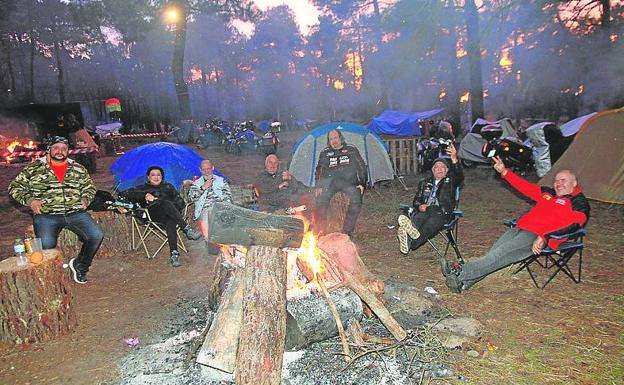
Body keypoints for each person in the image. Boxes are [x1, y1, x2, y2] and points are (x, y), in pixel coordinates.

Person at [441, 157, 590, 293]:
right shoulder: (548, 194)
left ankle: (458, 272)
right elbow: (524, 187)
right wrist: (505, 172)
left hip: (536, 237)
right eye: (556, 181)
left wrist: (545, 237)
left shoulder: (578, 203)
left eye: (563, 180)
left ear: (574, 183)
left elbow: (573, 225)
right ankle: (464, 284)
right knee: (495, 255)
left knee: (498, 254)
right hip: (520, 228)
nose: (558, 184)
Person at [8, 136, 104, 284]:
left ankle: (80, 266)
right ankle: (52, 278)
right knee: (46, 248)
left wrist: (85, 199)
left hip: (75, 212)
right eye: (56, 148)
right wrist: (30, 201)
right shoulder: (34, 168)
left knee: (96, 235)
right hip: (47, 215)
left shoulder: (77, 168)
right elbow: (14, 187)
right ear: (49, 149)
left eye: (64, 148)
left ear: (68, 151)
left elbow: (89, 187)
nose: (60, 151)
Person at [121, 166, 201, 267]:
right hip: (153, 217)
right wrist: (144, 195)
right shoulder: (142, 188)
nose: (156, 177)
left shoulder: (168, 187)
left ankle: (174, 254)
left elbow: (180, 202)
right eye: (153, 175)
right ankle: (186, 228)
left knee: (170, 219)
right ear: (148, 177)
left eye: (158, 175)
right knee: (165, 203)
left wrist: (172, 207)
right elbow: (125, 194)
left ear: (162, 177)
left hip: (171, 215)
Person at [397, 143, 463, 254]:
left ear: (447, 171)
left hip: (442, 213)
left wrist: (454, 158)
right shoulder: (424, 183)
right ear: (432, 170)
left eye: (443, 167)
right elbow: (416, 200)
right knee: (419, 216)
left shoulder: (450, 182)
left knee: (433, 212)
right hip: (425, 212)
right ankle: (409, 237)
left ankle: (413, 241)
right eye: (437, 167)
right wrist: (419, 205)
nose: (439, 170)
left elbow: (459, 175)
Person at [315, 129, 367, 236]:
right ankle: (322, 230)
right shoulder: (325, 153)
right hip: (330, 184)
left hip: (349, 183)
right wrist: (319, 186)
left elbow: (361, 166)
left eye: (335, 138)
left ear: (340, 138)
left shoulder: (351, 150)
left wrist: (362, 183)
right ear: (328, 141)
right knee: (320, 201)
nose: (334, 141)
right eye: (331, 139)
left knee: (356, 199)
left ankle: (347, 231)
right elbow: (319, 170)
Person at [188, 159, 231, 253]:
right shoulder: (197, 183)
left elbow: (228, 196)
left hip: (220, 206)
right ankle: (212, 244)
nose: (207, 172)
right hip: (204, 209)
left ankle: (221, 244)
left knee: (217, 213)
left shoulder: (220, 180)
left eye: (208, 169)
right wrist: (203, 187)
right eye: (204, 170)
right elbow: (191, 198)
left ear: (213, 168)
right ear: (200, 170)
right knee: (208, 213)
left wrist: (224, 205)